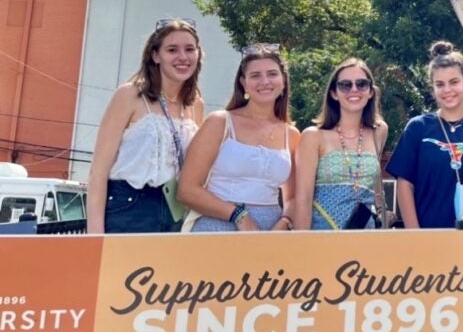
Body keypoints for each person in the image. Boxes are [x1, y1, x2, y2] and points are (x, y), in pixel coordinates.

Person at [87, 18, 205, 234]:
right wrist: (95, 235)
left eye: (189, 49)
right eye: (172, 50)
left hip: (175, 209)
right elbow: (98, 171)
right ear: (155, 55)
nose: (182, 57)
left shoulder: (195, 104)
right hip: (129, 206)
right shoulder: (129, 95)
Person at [178, 44, 299, 232]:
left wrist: (284, 222)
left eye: (272, 74)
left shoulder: (291, 134)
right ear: (243, 83)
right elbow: (187, 190)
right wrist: (238, 215)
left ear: (283, 81)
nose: (265, 81)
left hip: (271, 233)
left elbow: (292, 198)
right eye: (255, 75)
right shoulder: (220, 122)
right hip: (218, 226)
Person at [386, 41, 463, 229]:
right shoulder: (418, 128)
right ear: (432, 88)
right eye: (439, 84)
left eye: (454, 82)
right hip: (429, 234)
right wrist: (415, 235)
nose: (447, 90)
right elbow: (404, 184)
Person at [294, 59, 389, 230]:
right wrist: (304, 248)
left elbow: (375, 186)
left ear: (370, 92)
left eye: (362, 84)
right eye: (345, 85)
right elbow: (303, 199)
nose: (354, 89)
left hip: (364, 235)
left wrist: (383, 213)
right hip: (322, 235)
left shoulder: (379, 131)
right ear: (334, 93)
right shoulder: (313, 136)